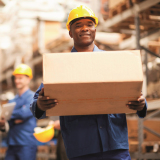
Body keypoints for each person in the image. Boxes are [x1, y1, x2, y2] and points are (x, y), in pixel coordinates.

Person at [30, 5, 147, 160]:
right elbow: (36, 105)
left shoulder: (113, 62)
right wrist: (40, 105)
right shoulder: (61, 67)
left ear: (95, 30)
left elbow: (135, 94)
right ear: (70, 32)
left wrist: (141, 104)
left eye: (89, 24)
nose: (85, 28)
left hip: (115, 146)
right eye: (78, 25)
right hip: (82, 148)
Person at [0, 64, 37, 160]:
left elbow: (24, 114)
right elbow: (8, 120)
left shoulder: (33, 97)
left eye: (20, 78)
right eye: (16, 78)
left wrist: (11, 117)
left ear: (28, 79)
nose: (17, 81)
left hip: (26, 144)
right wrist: (7, 122)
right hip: (12, 143)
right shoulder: (12, 101)